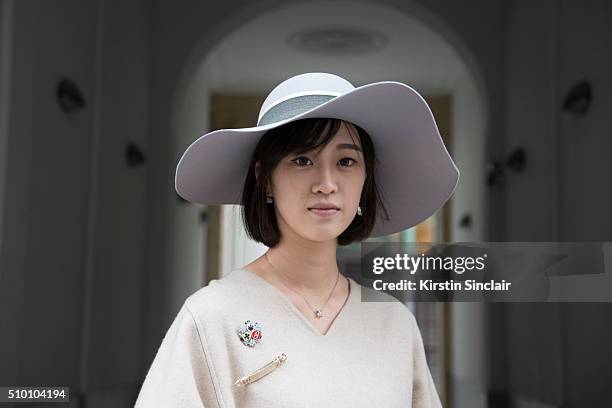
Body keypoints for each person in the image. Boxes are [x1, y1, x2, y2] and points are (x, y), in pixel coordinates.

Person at [135, 72, 459, 407]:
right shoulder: (212, 316)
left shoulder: (395, 325)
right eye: (302, 160)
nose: (326, 183)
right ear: (265, 179)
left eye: (346, 161)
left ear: (366, 177)